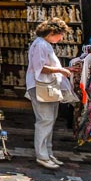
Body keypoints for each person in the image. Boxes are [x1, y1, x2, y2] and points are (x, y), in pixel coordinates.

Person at [26, 17, 73, 169]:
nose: (62, 38)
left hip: (47, 86)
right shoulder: (40, 44)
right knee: (45, 120)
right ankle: (42, 155)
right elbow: (40, 67)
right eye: (61, 34)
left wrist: (67, 70)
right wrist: (60, 70)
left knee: (49, 120)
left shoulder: (44, 44)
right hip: (41, 86)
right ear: (52, 32)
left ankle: (47, 152)